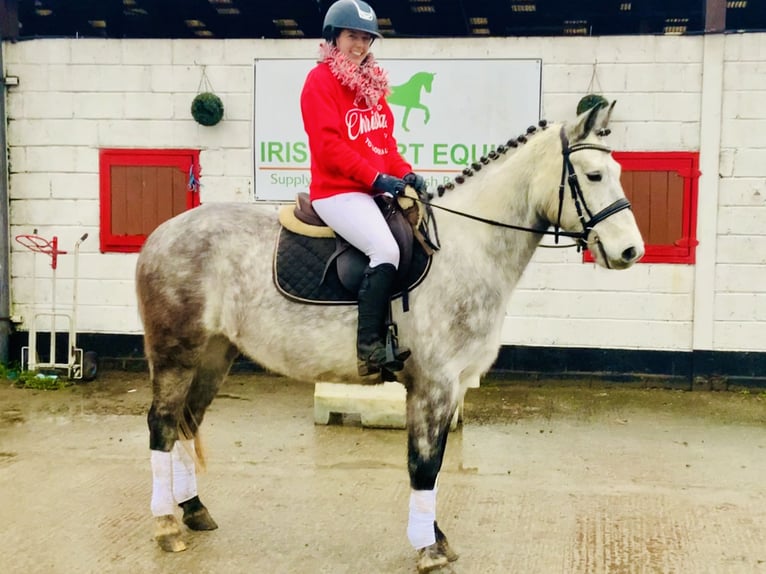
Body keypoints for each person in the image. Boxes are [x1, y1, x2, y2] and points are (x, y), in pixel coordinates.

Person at [300, 0, 426, 378]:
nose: (360, 45)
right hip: (336, 192)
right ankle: (369, 349)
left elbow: (384, 145)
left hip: (369, 190)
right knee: (384, 248)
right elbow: (329, 147)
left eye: (366, 38)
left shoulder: (372, 87)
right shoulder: (319, 82)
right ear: (334, 37)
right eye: (353, 36)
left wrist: (404, 173)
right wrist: (375, 179)